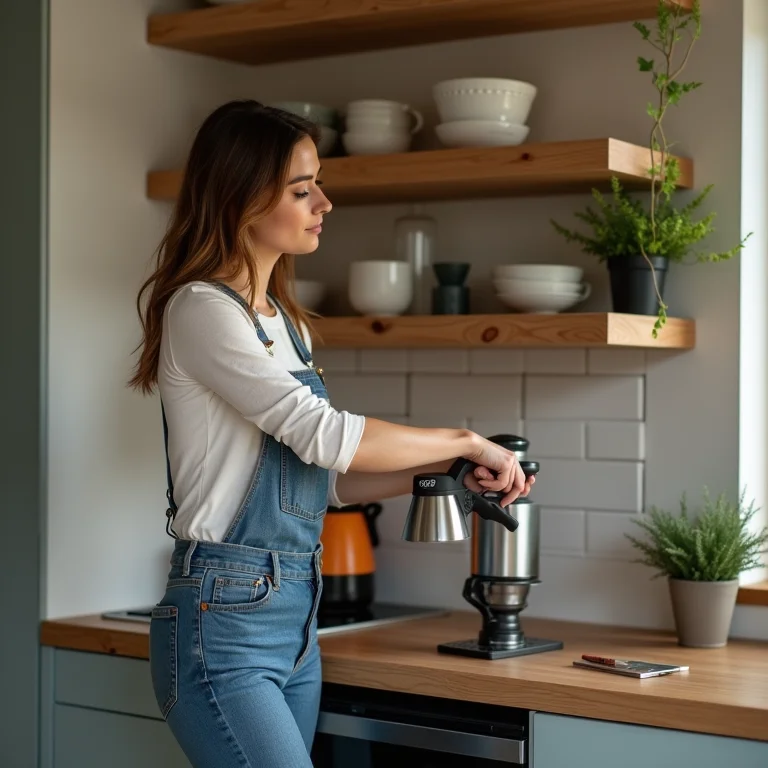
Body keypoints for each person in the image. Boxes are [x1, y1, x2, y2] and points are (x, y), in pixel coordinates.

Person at [129, 99, 533, 768]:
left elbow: (328, 481)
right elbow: (323, 434)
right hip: (223, 618)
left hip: (295, 617)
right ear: (242, 198)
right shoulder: (201, 309)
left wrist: (440, 477)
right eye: (300, 188)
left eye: (316, 183)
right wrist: (463, 440)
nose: (324, 202)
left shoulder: (288, 324)